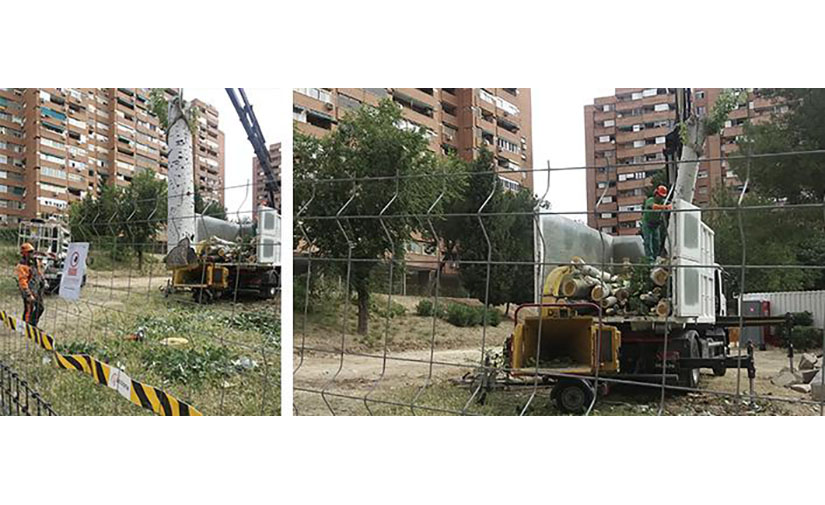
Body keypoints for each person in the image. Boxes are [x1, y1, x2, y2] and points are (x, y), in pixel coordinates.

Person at [15, 242, 46, 327]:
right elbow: (22, 282)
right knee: (29, 310)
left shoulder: (35, 261)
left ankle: (32, 325)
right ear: (25, 254)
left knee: (40, 308)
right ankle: (25, 327)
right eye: (30, 252)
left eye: (32, 251)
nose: (32, 253)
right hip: (28, 290)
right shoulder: (22, 266)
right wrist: (28, 295)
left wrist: (43, 281)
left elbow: (39, 272)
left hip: (37, 289)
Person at [641, 185, 672, 261]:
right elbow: (654, 207)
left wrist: (670, 205)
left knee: (656, 243)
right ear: (656, 193)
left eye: (662, 196)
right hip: (647, 224)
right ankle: (649, 259)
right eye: (660, 195)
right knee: (648, 242)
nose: (661, 197)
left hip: (656, 225)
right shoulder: (650, 200)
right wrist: (665, 207)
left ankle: (655, 258)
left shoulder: (663, 202)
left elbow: (671, 204)